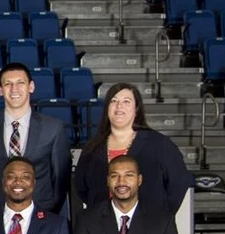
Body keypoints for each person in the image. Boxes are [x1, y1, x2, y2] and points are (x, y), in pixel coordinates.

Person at [0, 62, 71, 215]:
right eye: (8, 84)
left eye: (20, 83)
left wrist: (51, 209)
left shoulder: (53, 127)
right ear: (0, 90)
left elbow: (61, 176)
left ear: (31, 86)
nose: (14, 89)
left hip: (41, 212)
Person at [73, 83, 193, 214]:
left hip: (149, 229)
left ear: (136, 109)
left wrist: (161, 219)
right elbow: (82, 188)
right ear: (107, 109)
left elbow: (179, 182)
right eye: (114, 101)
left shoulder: (159, 143)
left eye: (126, 101)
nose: (119, 106)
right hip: (102, 228)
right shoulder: (92, 148)